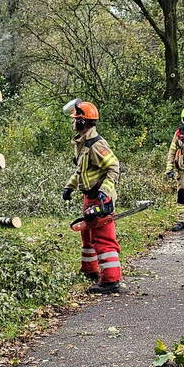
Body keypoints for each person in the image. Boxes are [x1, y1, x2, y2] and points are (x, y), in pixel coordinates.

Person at [61, 100, 123, 293]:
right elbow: (81, 171)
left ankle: (111, 280)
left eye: (75, 119)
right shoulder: (83, 144)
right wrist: (69, 187)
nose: (73, 122)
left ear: (82, 122)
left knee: (103, 238)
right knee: (87, 235)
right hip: (89, 196)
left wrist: (105, 192)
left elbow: (114, 167)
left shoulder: (96, 145)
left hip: (100, 197)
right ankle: (90, 270)